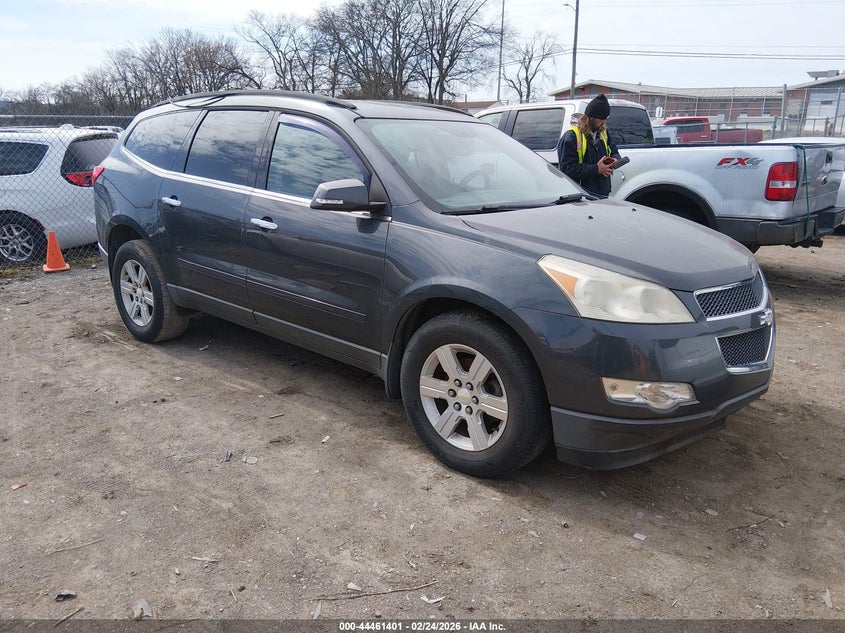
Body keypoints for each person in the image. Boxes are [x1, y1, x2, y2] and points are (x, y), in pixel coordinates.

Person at [556, 94, 621, 198]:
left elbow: (614, 151)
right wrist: (597, 169)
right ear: (591, 118)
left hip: (602, 194)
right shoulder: (572, 136)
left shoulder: (604, 133)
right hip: (581, 197)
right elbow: (567, 169)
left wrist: (615, 160)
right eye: (601, 119)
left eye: (605, 118)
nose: (604, 122)